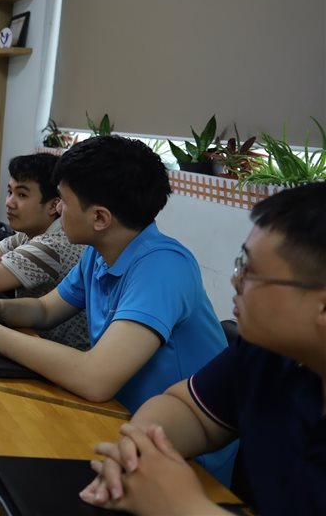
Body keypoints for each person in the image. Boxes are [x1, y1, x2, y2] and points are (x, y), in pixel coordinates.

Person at [80, 182, 326, 516]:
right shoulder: (266, 354)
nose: (235, 281)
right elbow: (189, 409)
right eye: (241, 264)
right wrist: (138, 447)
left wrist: (186, 506)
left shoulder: (165, 263)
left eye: (253, 274)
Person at [0, 136, 227, 413]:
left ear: (100, 218)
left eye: (64, 201)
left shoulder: (163, 268)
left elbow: (94, 378)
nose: (58, 209)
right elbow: (44, 310)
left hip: (169, 436)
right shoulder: (99, 253)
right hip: (117, 414)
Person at [0, 153, 88, 349]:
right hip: (29, 340)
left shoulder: (51, 246)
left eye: (22, 195)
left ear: (53, 205)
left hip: (47, 352)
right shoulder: (29, 234)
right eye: (10, 192)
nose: (9, 202)